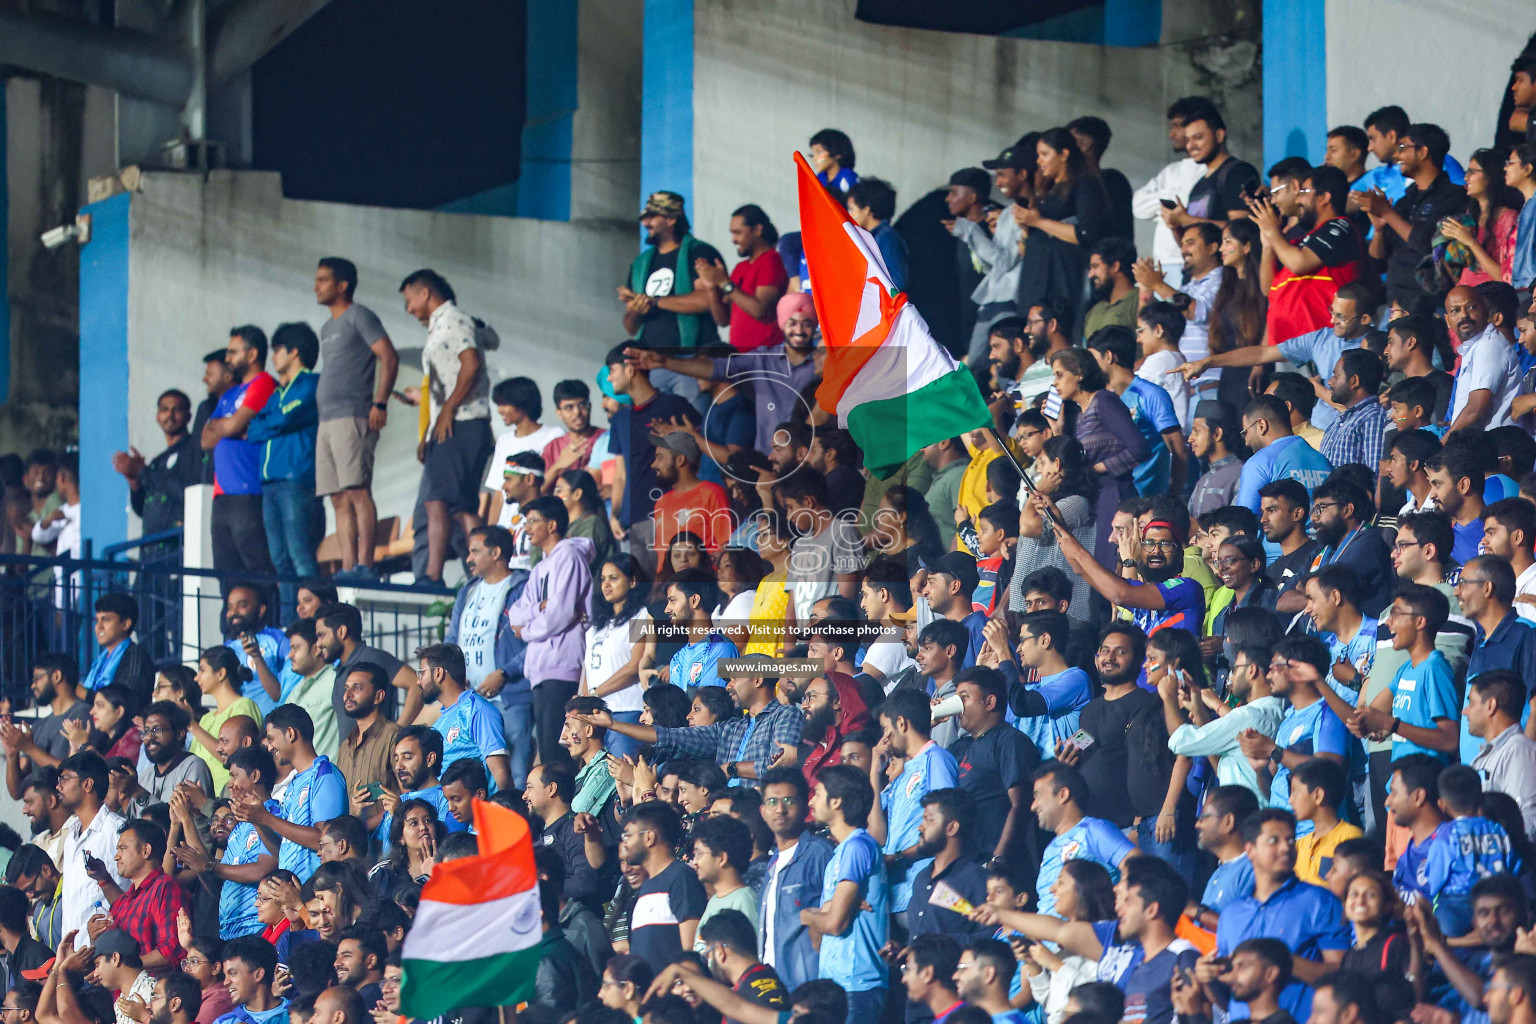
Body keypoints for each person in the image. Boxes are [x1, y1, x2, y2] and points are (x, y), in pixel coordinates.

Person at [399, 268, 492, 586]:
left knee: (436, 501)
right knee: (461, 506)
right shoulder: (440, 325)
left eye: (409, 300)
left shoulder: (453, 319)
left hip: (461, 424)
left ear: (425, 293)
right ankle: (484, 572)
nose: (409, 309)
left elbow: (471, 363)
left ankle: (432, 575)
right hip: (457, 423)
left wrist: (448, 409)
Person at [574, 659, 799, 789]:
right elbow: (672, 736)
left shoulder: (785, 715)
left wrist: (731, 769)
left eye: (734, 679)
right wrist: (613, 724)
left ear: (757, 679)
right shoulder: (731, 727)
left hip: (757, 811)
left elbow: (781, 765)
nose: (729, 686)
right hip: (720, 811)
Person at [1213, 810, 1349, 1021]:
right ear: (1250, 850)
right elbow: (1230, 995)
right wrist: (1209, 978)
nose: (1285, 847)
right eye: (1273, 840)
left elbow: (1342, 976)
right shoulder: (1231, 913)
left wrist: (1284, 962)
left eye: (1290, 839)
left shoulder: (1319, 901)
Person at [312, 257, 398, 583]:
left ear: (342, 285)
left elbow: (387, 355)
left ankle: (366, 565)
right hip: (326, 420)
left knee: (358, 490)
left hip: (352, 415)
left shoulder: (359, 315)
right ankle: (348, 568)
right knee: (338, 497)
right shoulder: (327, 328)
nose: (316, 286)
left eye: (323, 280)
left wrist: (380, 402)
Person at [245, 322, 323, 615]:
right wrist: (271, 421)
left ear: (294, 352)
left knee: (300, 555)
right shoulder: (276, 394)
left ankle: (312, 618)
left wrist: (271, 422)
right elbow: (253, 429)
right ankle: (292, 619)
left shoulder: (311, 383)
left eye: (277, 350)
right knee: (280, 558)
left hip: (295, 479)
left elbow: (281, 420)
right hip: (270, 483)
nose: (273, 356)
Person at [445, 525, 531, 786]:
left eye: (475, 551)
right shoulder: (467, 590)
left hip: (511, 696)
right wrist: (455, 677)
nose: (468, 558)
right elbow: (452, 640)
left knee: (516, 773)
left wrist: (504, 673)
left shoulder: (523, 586)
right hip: (470, 699)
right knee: (476, 776)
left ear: (496, 552)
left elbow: (536, 642)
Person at [802, 765, 888, 1023]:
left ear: (836, 801)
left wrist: (807, 915)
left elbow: (834, 924)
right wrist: (826, 911)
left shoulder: (858, 847)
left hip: (857, 983)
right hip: (838, 984)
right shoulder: (840, 852)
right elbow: (819, 936)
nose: (811, 800)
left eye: (817, 793)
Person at [1359, 122, 1468, 315]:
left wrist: (1387, 213)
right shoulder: (1405, 200)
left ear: (1423, 152)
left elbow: (1428, 244)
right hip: (1394, 303)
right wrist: (1378, 230)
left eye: (1402, 148)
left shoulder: (1453, 196)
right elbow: (1377, 264)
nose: (1397, 155)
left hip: (1431, 307)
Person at [231, 705, 346, 881]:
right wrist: (257, 821)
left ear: (290, 733)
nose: (269, 748)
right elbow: (280, 853)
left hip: (318, 891)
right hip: (293, 895)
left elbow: (325, 841)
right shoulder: (294, 785)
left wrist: (267, 818)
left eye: (271, 738)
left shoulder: (324, 774)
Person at [199, 326, 277, 586]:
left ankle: (268, 623)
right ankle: (234, 628)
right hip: (221, 497)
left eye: (233, 352)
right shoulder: (229, 395)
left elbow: (229, 427)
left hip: (249, 491)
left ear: (252, 354)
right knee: (226, 572)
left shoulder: (264, 383)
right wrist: (230, 426)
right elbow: (205, 439)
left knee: (258, 568)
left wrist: (228, 426)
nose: (228, 358)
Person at [1016, 128, 1106, 336]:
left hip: (1061, 281)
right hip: (1036, 280)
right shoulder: (1049, 191)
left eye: (1045, 154)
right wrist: (1026, 228)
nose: (1039, 161)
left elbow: (1086, 234)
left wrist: (1038, 221)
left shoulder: (1084, 185)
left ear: (1064, 154)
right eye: (1038, 155)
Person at [948, 667, 1039, 866]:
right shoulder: (958, 747)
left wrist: (997, 860)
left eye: (964, 698)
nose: (958, 707)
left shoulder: (1010, 741)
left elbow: (1020, 805)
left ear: (990, 702)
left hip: (995, 864)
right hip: (964, 865)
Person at [621, 191, 724, 353]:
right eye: (644, 218)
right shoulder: (640, 264)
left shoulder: (699, 252)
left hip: (694, 357)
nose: (645, 223)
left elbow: (707, 300)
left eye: (651, 217)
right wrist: (636, 308)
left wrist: (654, 301)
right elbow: (631, 328)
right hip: (650, 360)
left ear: (671, 219)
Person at [1460, 556, 1536, 762]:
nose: (1457, 592)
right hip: (1477, 776)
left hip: (1509, 775)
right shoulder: (1481, 640)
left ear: (1487, 588)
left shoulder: (1527, 635)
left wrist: (1522, 761)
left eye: (1463, 584)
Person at [620, 802, 706, 974]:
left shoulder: (680, 877)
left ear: (649, 837)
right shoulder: (645, 888)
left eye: (628, 836)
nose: (625, 844)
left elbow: (691, 952)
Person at [413, 644, 511, 793]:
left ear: (438, 673)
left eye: (422, 673)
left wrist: (505, 811)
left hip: (477, 814)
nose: (418, 681)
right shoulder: (441, 722)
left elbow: (502, 775)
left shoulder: (478, 710)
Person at [313, 603, 416, 740]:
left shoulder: (372, 657)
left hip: (376, 759)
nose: (319, 643)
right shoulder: (341, 670)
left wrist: (396, 734)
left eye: (322, 635)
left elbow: (416, 683)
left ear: (341, 632)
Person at [58, 750, 129, 946]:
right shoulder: (71, 836)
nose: (58, 786)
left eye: (64, 779)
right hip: (74, 957)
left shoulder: (117, 831)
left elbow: (134, 893)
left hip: (106, 958)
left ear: (87, 784)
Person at [1133, 97, 1209, 279]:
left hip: (1191, 262)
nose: (1171, 134)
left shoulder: (1208, 171)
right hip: (1163, 261)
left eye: (1176, 126)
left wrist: (1168, 206)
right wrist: (1171, 200)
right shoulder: (1171, 171)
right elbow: (1138, 206)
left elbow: (1189, 209)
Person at [113, 388, 200, 544]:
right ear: (157, 416)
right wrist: (135, 484)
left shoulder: (194, 450)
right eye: (165, 409)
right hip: (152, 551)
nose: (170, 415)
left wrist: (142, 472)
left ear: (189, 416)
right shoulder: (156, 462)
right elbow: (142, 510)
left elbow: (185, 492)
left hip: (178, 549)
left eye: (177, 410)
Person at [697, 204, 788, 352]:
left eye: (738, 233)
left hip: (766, 355)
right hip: (739, 355)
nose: (733, 240)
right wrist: (711, 288)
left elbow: (760, 311)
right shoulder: (740, 268)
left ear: (757, 230)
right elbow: (723, 320)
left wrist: (723, 282)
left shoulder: (772, 260)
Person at [98, 819, 184, 971]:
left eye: (122, 849)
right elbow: (110, 955)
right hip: (123, 993)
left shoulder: (165, 888)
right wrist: (96, 937)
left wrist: (126, 967)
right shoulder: (122, 902)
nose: (116, 857)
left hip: (154, 991)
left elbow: (172, 950)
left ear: (146, 851)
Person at [482, 377, 566, 530]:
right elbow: (499, 494)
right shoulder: (504, 440)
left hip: (537, 527)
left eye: (505, 404)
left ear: (522, 404)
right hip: (506, 528)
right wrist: (491, 533)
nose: (500, 410)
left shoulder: (553, 435)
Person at [1164, 103, 1259, 231]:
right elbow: (1190, 243)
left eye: (1198, 138)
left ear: (1219, 135)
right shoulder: (1198, 185)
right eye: (1187, 140)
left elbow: (1242, 231)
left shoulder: (1237, 172)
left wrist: (1188, 219)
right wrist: (1175, 225)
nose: (1190, 146)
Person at [1467, 670, 1536, 840]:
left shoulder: (1519, 751)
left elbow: (1527, 823)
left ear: (1490, 705)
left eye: (1471, 704)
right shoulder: (1492, 753)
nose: (1465, 711)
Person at [1444, 285, 1520, 434]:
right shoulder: (1474, 347)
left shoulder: (1490, 345)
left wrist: (1444, 446)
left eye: (1471, 307)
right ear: (1447, 320)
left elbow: (1476, 410)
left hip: (1497, 449)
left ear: (1485, 311)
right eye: (1456, 310)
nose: (1464, 315)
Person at [649, 433, 731, 572]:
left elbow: (726, 547)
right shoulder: (661, 502)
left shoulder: (712, 493)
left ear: (680, 460)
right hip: (668, 588)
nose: (653, 464)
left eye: (660, 457)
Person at [136, 702, 214, 806]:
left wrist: (138, 792)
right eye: (146, 732)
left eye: (157, 730)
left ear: (179, 733)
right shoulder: (146, 776)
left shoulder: (192, 766)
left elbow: (180, 820)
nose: (150, 737)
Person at [846, 178, 908, 291]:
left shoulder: (886, 237)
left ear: (866, 210)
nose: (849, 215)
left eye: (852, 209)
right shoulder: (872, 237)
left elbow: (896, 281)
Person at [214, 936, 286, 1024]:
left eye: (232, 973)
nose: (226, 982)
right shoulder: (224, 1022)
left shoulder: (299, 1016)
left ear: (258, 974)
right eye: (225, 975)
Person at [93, 928, 157, 1024]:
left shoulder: (154, 990)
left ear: (115, 958)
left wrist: (144, 1016)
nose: (95, 974)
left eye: (97, 965)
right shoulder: (119, 1004)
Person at [1083, 238, 1140, 339]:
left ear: (1115, 266)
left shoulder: (1140, 300)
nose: (1090, 275)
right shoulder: (1094, 311)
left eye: (1095, 266)